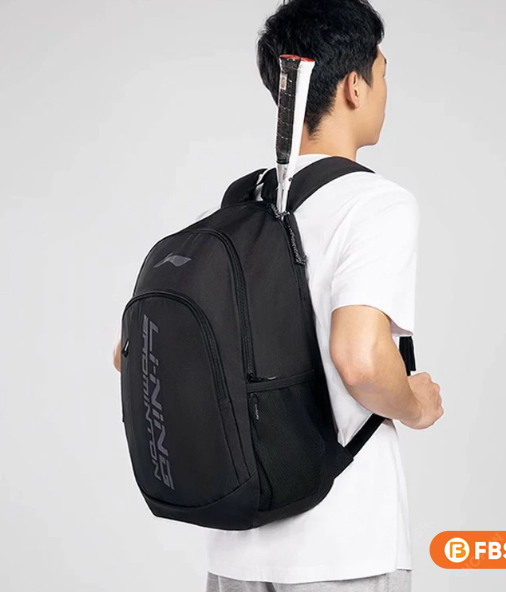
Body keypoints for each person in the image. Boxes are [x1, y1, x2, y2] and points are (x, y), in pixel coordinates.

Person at [113, 1, 443, 590]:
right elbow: (361, 360)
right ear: (354, 86)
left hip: (235, 544)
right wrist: (416, 405)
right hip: (342, 548)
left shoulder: (243, 203)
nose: (386, 90)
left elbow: (129, 354)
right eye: (383, 73)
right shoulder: (376, 204)